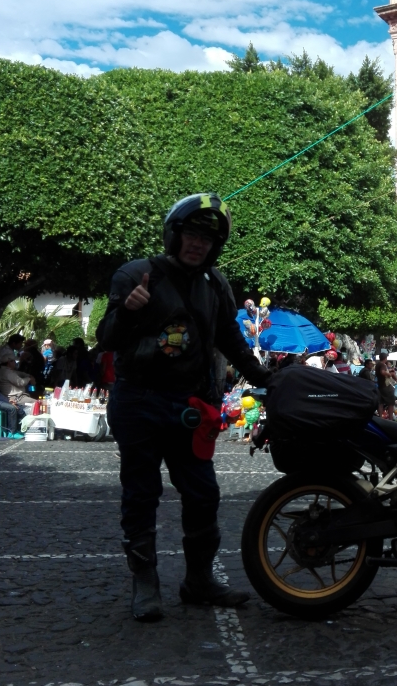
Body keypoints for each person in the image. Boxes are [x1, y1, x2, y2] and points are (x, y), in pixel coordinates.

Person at [96, 193, 270, 622]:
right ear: (174, 234)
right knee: (142, 493)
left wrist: (270, 378)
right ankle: (145, 583)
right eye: (191, 233)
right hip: (138, 401)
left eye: (207, 239)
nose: (198, 244)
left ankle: (198, 582)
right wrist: (130, 312)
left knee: (204, 493)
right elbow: (107, 338)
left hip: (191, 405)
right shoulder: (135, 274)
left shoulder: (216, 285)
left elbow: (231, 339)